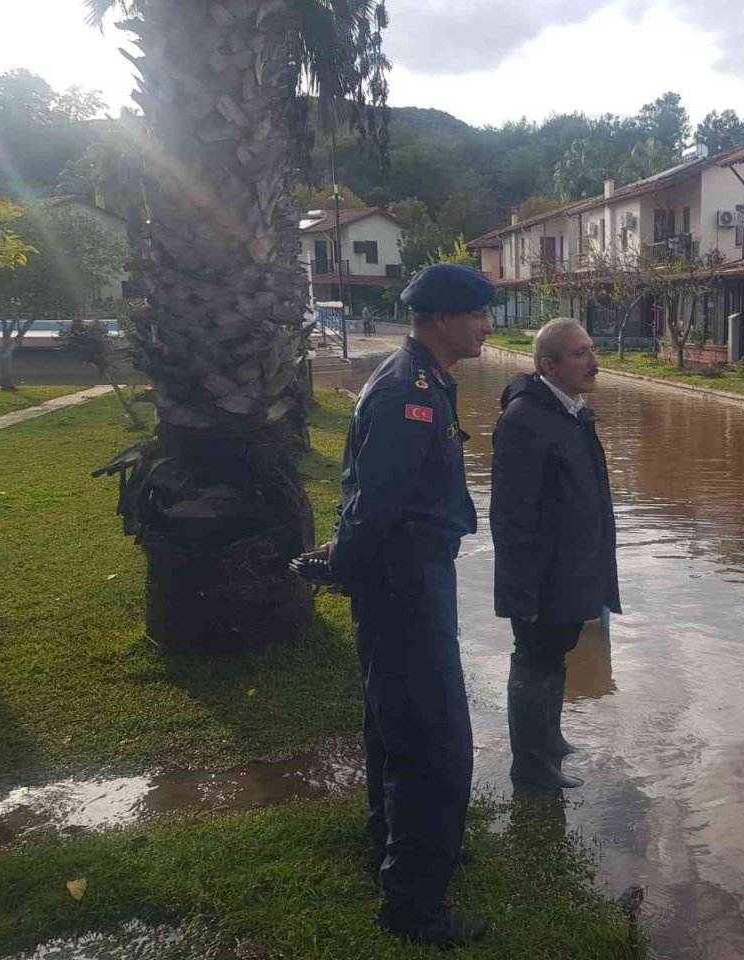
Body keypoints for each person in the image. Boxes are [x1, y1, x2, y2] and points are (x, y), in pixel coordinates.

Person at [296, 264, 494, 947]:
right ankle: (412, 901)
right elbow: (377, 506)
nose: (486, 327)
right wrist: (345, 565)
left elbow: (376, 498)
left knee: (395, 722)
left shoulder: (421, 378)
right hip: (404, 583)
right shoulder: (408, 393)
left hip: (408, 577)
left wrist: (350, 559)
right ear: (440, 319)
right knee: (433, 739)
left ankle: (397, 844)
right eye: (476, 315)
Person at [490, 318, 621, 791]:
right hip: (541, 577)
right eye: (580, 353)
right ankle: (530, 765)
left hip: (568, 569)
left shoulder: (568, 410)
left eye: (591, 349)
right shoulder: (525, 420)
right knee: (534, 657)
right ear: (549, 365)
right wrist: (524, 592)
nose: (594, 361)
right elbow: (512, 516)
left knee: (556, 652)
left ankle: (549, 738)